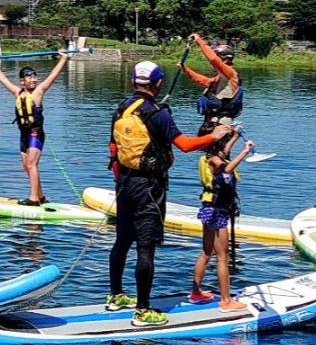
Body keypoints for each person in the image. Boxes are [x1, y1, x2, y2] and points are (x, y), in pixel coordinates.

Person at [107, 60, 229, 327]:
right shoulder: (158, 113)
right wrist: (215, 135)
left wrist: (122, 184)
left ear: (133, 82)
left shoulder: (121, 109)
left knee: (122, 241)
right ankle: (143, 310)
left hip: (124, 184)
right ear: (158, 83)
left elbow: (113, 150)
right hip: (149, 188)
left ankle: (115, 295)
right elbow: (185, 145)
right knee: (146, 248)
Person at [0, 50, 70, 205]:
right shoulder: (17, 93)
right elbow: (3, 79)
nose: (34, 80)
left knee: (32, 165)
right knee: (26, 166)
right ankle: (41, 196)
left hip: (35, 133)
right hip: (23, 134)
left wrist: (63, 58)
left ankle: (33, 199)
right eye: (29, 77)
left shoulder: (38, 92)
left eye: (34, 77)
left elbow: (53, 75)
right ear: (22, 81)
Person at [190, 127, 254, 311]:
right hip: (217, 211)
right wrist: (245, 152)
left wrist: (234, 136)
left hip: (209, 208)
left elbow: (224, 153)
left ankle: (196, 292)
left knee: (206, 252)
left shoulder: (209, 155)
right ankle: (226, 300)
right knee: (222, 257)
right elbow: (225, 167)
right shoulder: (214, 160)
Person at [181, 33, 243, 135]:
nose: (211, 63)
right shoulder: (220, 77)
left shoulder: (230, 74)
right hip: (211, 121)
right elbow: (204, 81)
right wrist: (185, 69)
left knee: (218, 151)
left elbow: (214, 60)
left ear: (226, 59)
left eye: (219, 58)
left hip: (221, 122)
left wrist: (199, 41)